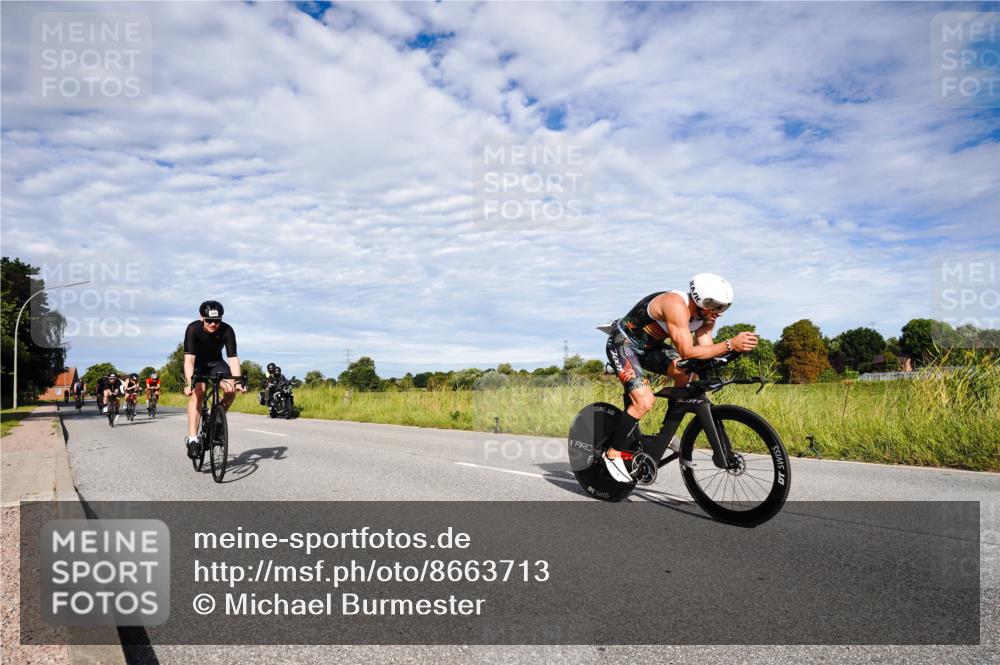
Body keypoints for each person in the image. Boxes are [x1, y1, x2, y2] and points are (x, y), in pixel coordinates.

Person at [602, 273, 759, 482]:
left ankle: (663, 435)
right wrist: (730, 344)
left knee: (687, 372)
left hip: (650, 348)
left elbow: (704, 349)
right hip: (624, 344)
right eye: (717, 306)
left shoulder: (706, 316)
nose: (720, 313)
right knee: (644, 401)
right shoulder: (675, 305)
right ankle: (612, 454)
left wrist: (730, 350)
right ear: (703, 301)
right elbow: (687, 351)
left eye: (724, 307)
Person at [182, 300, 245, 458]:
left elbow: (233, 359)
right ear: (201, 317)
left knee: (230, 389)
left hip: (217, 363)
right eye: (209, 320)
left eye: (216, 321)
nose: (212, 324)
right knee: (199, 391)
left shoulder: (227, 330)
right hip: (198, 364)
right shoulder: (193, 328)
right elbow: (189, 359)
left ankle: (215, 417)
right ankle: (193, 440)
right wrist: (190, 383)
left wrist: (237, 381)